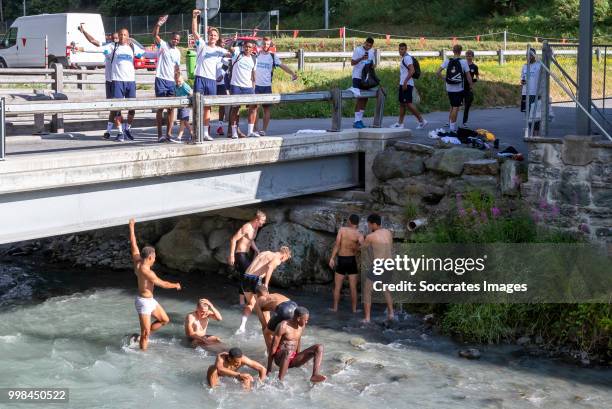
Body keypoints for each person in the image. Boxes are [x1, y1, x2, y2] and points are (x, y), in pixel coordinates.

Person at [128, 219, 181, 351]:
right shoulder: (147, 272)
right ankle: (142, 355)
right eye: (155, 257)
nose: (155, 259)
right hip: (143, 302)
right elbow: (162, 284)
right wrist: (175, 285)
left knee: (164, 320)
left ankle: (142, 336)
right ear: (150, 257)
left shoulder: (137, 260)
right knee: (146, 333)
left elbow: (133, 244)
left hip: (150, 300)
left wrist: (131, 226)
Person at [191, 10, 231, 141]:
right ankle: (197, 132)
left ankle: (205, 133)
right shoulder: (202, 44)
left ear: (217, 37)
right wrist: (194, 17)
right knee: (197, 106)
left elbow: (231, 55)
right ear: (208, 35)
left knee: (208, 107)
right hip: (200, 78)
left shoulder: (220, 50)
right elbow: (195, 32)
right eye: (211, 34)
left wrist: (236, 50)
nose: (213, 36)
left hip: (211, 81)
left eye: (215, 35)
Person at [236, 247, 292, 334]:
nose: (283, 261)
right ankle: (268, 329)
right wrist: (266, 284)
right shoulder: (277, 259)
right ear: (285, 255)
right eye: (286, 258)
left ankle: (242, 327)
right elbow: (269, 267)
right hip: (256, 279)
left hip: (246, 277)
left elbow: (255, 264)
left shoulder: (265, 252)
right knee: (266, 306)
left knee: (251, 303)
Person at [77, 25, 118, 139]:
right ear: (110, 39)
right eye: (113, 38)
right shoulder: (107, 46)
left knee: (119, 108)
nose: (115, 40)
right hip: (109, 81)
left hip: (119, 81)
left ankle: (122, 130)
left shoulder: (123, 48)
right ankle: (110, 131)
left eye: (117, 38)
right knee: (112, 107)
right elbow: (93, 41)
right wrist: (84, 31)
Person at [267, 306, 326, 383]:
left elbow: (298, 340)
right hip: (280, 359)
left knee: (319, 347)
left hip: (293, 358)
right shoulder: (283, 326)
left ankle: (315, 375)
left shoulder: (301, 326)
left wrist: (300, 357)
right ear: (298, 319)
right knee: (288, 351)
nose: (307, 322)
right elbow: (273, 347)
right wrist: (269, 369)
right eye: (305, 320)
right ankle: (280, 381)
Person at [254, 37, 298, 136]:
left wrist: (292, 73)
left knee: (266, 109)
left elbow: (283, 66)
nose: (266, 46)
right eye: (264, 44)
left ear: (270, 45)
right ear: (261, 45)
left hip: (266, 86)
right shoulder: (256, 55)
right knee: (254, 108)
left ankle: (263, 130)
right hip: (256, 85)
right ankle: (255, 129)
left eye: (268, 44)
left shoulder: (273, 57)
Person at [152, 15, 181, 143]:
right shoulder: (163, 45)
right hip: (161, 79)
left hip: (171, 82)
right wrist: (159, 24)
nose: (175, 41)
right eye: (174, 39)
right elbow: (154, 35)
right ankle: (159, 134)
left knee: (171, 108)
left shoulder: (178, 52)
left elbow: (177, 67)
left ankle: (168, 134)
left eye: (178, 40)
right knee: (160, 107)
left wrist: (178, 78)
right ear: (171, 38)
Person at [361, 214, 394, 324]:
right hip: (389, 263)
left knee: (367, 291)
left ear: (374, 224)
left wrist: (361, 240)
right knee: (386, 290)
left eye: (370, 224)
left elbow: (362, 248)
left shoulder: (371, 236)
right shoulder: (388, 233)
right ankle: (391, 314)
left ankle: (367, 318)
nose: (369, 226)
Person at [228, 210, 267, 306]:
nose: (264, 222)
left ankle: (244, 301)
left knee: (244, 277)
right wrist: (231, 255)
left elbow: (251, 240)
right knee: (249, 275)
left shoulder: (256, 228)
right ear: (257, 219)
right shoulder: (247, 227)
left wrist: (257, 250)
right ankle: (249, 300)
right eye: (263, 220)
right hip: (239, 254)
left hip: (246, 254)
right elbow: (233, 239)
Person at [328, 214, 364, 313]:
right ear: (358, 223)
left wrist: (332, 258)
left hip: (341, 260)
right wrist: (356, 248)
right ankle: (354, 309)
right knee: (353, 287)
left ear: (349, 221)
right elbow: (363, 246)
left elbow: (337, 244)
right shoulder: (359, 234)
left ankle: (335, 308)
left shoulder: (342, 230)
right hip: (352, 260)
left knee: (337, 286)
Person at [436, 44, 473, 135]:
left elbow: (437, 72)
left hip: (449, 88)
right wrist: (471, 85)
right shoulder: (463, 62)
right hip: (459, 89)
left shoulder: (447, 61)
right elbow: (468, 76)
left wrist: (445, 79)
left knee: (452, 106)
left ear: (453, 51)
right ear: (461, 52)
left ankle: (451, 125)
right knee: (456, 107)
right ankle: (452, 128)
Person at [391, 43, 427, 130]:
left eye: (402, 49)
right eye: (399, 49)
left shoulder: (407, 58)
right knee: (402, 104)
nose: (400, 51)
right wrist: (401, 82)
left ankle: (422, 121)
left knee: (408, 104)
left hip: (407, 84)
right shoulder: (404, 58)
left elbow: (412, 70)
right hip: (403, 83)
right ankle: (400, 124)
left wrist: (405, 82)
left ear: (406, 49)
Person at [229, 40, 258, 138]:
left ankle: (250, 131)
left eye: (250, 47)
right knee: (235, 109)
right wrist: (233, 41)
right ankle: (234, 132)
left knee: (253, 107)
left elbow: (253, 74)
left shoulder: (254, 59)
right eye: (246, 46)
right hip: (236, 86)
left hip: (248, 87)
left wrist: (253, 87)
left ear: (252, 48)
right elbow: (229, 48)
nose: (247, 48)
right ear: (243, 47)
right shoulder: (237, 54)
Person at [253, 285, 293, 349]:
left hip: (284, 309)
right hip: (294, 305)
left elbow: (264, 324)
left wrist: (268, 331)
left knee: (266, 332)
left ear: (257, 295)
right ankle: (295, 353)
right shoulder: (275, 294)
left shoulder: (258, 301)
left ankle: (271, 354)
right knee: (291, 331)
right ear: (268, 292)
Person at [351, 37, 375, 129]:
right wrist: (361, 58)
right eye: (367, 44)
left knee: (365, 98)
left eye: (370, 45)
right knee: (359, 98)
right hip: (357, 77)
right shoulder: (358, 50)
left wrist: (372, 65)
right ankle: (356, 121)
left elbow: (372, 62)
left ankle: (360, 120)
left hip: (366, 77)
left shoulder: (372, 51)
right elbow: (352, 63)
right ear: (364, 43)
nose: (368, 47)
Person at [521, 48, 543, 135]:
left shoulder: (539, 65)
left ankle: (536, 134)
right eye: (527, 55)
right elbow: (522, 78)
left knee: (535, 115)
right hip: (525, 93)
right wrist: (523, 81)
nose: (528, 57)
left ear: (534, 56)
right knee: (527, 115)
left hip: (535, 94)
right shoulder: (524, 66)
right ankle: (530, 133)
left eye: (530, 55)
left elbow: (547, 65)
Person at [174, 69, 194, 142]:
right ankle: (193, 134)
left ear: (182, 79)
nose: (178, 83)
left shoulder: (185, 86)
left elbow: (191, 93)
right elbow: (175, 94)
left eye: (179, 81)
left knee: (182, 121)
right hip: (180, 106)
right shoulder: (176, 86)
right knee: (185, 122)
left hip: (185, 106)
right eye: (176, 81)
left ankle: (179, 137)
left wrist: (190, 103)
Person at [462, 50, 479, 126]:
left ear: (472, 57)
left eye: (470, 56)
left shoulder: (474, 67)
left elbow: (477, 77)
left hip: (468, 87)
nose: (468, 57)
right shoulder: (462, 65)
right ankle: (450, 121)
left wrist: (474, 81)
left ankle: (464, 121)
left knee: (467, 104)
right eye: (467, 56)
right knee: (454, 105)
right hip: (460, 86)